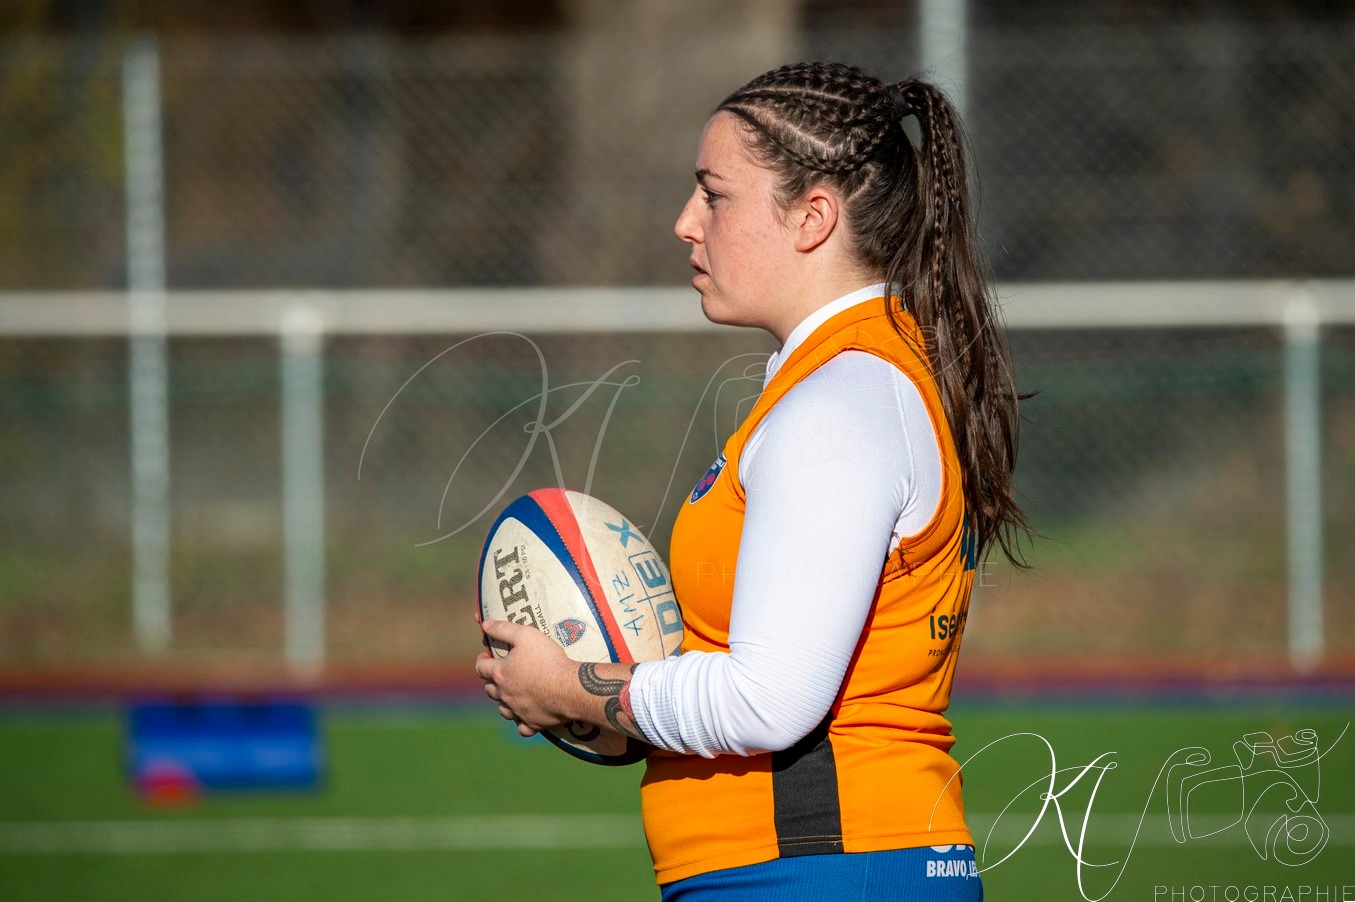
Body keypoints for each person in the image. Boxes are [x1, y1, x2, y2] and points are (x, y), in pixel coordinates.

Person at [475, 61, 1030, 901]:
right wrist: (605, 702)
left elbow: (770, 701)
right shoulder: (844, 380)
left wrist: (568, 686)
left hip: (822, 867)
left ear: (813, 217)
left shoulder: (840, 401)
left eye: (714, 195)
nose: (685, 223)